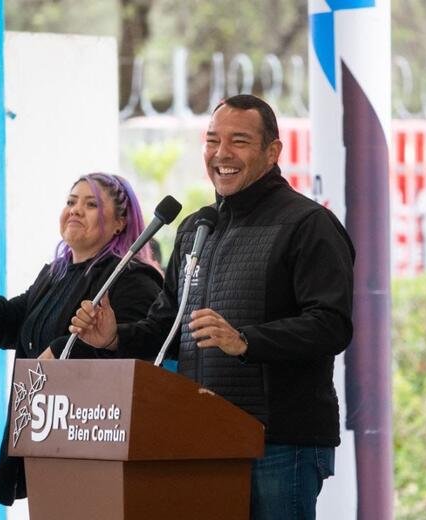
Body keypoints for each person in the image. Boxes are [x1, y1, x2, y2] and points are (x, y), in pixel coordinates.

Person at [69, 95, 355, 519]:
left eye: (238, 141)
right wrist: (114, 337)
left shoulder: (307, 225)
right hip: (204, 437)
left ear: (272, 152)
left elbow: (331, 325)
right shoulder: (196, 228)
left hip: (278, 441)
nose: (222, 154)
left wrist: (245, 341)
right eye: (212, 141)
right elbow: (167, 327)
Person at [0, 173, 162, 506]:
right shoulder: (55, 275)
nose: (75, 210)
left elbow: (140, 351)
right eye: (71, 201)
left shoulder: (131, 280)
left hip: (95, 440)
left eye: (90, 204)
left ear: (120, 223)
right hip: (44, 434)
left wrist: (61, 350)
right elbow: (7, 328)